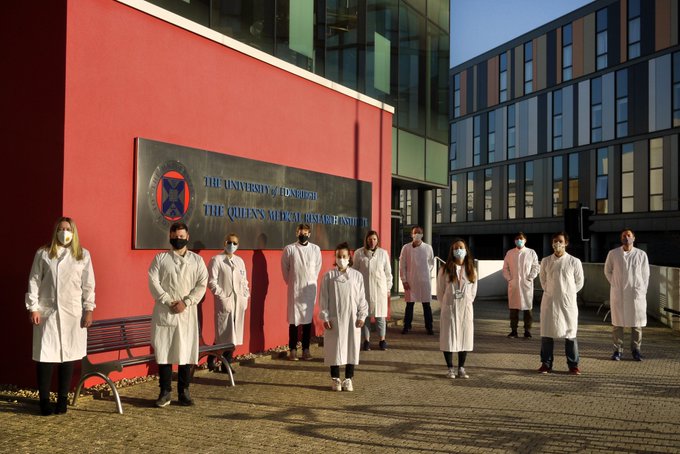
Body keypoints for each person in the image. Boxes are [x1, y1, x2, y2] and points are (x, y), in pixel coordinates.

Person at [25, 217, 95, 416]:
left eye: (68, 229)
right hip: (47, 313)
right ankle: (44, 400)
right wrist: (33, 308)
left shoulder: (82, 255)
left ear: (74, 232)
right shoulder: (44, 253)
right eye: (61, 229)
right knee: (45, 357)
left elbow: (88, 285)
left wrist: (89, 309)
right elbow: (34, 280)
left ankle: (62, 399)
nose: (64, 232)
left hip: (73, 314)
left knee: (68, 357)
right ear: (55, 231)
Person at [148, 222, 208, 407]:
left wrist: (186, 302)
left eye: (181, 236)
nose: (178, 239)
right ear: (170, 236)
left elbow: (202, 284)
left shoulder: (197, 261)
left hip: (186, 313)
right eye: (175, 236)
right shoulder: (160, 259)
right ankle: (165, 391)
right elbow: (153, 281)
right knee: (164, 351)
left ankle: (184, 391)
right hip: (165, 312)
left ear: (187, 237)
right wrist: (167, 300)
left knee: (185, 352)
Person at [319, 242, 368, 391]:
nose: (341, 259)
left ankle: (348, 378)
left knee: (351, 347)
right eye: (339, 256)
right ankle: (335, 379)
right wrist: (325, 317)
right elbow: (323, 299)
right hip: (335, 318)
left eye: (344, 256)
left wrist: (362, 315)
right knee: (334, 348)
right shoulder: (329, 276)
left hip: (352, 319)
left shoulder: (357, 276)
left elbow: (361, 298)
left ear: (349, 257)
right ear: (335, 257)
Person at [538, 232, 584, 375]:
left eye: (560, 241)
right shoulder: (545, 261)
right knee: (547, 334)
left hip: (567, 303)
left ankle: (573, 365)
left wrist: (567, 293)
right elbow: (543, 280)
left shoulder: (574, 261)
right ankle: (546, 364)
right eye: (555, 241)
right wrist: (552, 292)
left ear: (566, 243)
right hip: (550, 302)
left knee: (570, 334)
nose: (557, 244)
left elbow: (579, 282)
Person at [604, 229, 650, 361]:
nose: (626, 238)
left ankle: (636, 350)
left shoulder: (641, 254)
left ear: (634, 238)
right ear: (621, 238)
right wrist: (615, 283)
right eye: (624, 236)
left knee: (636, 324)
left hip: (636, 294)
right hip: (618, 293)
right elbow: (607, 270)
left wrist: (641, 290)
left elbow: (646, 275)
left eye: (629, 235)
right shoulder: (613, 254)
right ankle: (617, 350)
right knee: (618, 324)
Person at [208, 232, 250, 373]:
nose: (231, 245)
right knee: (224, 333)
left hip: (238, 302)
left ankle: (224, 361)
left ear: (238, 245)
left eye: (234, 243)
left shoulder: (240, 261)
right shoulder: (216, 260)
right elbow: (212, 282)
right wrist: (222, 297)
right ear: (224, 243)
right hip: (225, 301)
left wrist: (245, 296)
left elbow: (244, 281)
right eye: (229, 242)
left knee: (234, 334)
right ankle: (218, 360)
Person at [437, 239, 477, 379]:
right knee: (448, 339)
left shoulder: (471, 269)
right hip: (450, 308)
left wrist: (466, 302)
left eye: (461, 247)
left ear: (466, 250)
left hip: (465, 309)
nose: (458, 250)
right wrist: (446, 305)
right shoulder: (444, 269)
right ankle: (450, 368)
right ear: (452, 251)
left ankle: (461, 367)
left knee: (464, 338)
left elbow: (473, 291)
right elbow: (440, 291)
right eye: (456, 248)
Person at [281, 223, 322, 360]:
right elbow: (285, 269)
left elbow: (317, 268)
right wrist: (293, 282)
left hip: (309, 290)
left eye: (305, 233)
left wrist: (310, 280)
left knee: (307, 322)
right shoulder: (290, 249)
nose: (302, 235)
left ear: (309, 234)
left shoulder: (316, 249)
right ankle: (292, 349)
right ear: (296, 233)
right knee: (293, 321)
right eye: (300, 232)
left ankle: (306, 349)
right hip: (295, 289)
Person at [353, 230, 392, 351]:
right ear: (366, 240)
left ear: (377, 240)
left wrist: (388, 288)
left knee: (380, 317)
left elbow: (388, 273)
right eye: (370, 239)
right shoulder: (359, 253)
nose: (372, 241)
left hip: (380, 290)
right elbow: (354, 271)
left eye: (374, 239)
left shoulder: (383, 253)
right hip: (364, 290)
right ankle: (366, 341)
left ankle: (382, 340)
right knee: (366, 317)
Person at [502, 232, 540, 338]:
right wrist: (510, 279)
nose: (519, 240)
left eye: (521, 238)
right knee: (513, 309)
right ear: (514, 240)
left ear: (525, 240)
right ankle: (514, 330)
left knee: (528, 309)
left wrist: (530, 277)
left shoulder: (531, 252)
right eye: (517, 238)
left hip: (526, 285)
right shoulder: (510, 253)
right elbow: (505, 268)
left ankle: (527, 331)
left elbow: (536, 267)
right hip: (514, 285)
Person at [399, 225, 435, 335]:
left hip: (424, 281)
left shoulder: (428, 248)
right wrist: (404, 280)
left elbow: (431, 263)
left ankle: (429, 327)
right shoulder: (406, 248)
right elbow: (402, 264)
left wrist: (424, 272)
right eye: (415, 232)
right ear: (411, 234)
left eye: (419, 232)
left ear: (422, 234)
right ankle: (407, 325)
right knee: (409, 304)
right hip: (411, 280)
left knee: (426, 305)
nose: (417, 235)